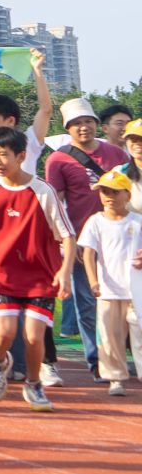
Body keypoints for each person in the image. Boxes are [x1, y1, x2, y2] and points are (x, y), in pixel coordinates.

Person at [0, 127, 74, 411]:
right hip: (4, 274)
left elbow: (68, 235)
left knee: (33, 336)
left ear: (21, 156)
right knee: (4, 333)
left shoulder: (42, 191)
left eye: (3, 154)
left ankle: (33, 384)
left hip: (40, 276)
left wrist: (64, 272)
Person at [44, 96, 125, 379]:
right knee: (87, 303)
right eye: (76, 123)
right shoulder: (58, 159)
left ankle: (119, 356)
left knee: (122, 303)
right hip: (82, 241)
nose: (83, 127)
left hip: (118, 239)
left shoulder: (116, 155)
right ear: (67, 127)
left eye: (88, 121)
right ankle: (96, 361)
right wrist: (67, 240)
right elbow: (56, 202)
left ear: (96, 124)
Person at [76, 170, 142, 397]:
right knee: (110, 336)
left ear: (128, 195)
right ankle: (116, 377)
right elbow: (88, 253)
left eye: (115, 192)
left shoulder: (138, 221)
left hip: (136, 290)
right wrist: (93, 281)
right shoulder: (96, 221)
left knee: (139, 332)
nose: (109, 197)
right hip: (109, 290)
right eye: (105, 192)